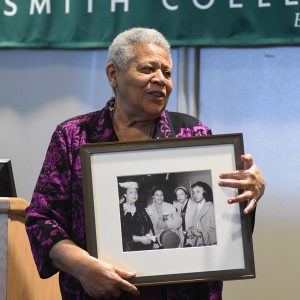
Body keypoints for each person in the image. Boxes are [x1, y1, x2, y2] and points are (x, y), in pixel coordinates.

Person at [25, 27, 265, 299]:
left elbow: (224, 224)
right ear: (113, 74)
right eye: (148, 69)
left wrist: (247, 190)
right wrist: (83, 268)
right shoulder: (73, 136)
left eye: (167, 72)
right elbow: (41, 220)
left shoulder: (194, 134)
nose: (160, 79)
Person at [118, 181, 155, 251]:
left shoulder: (141, 208)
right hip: (131, 248)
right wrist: (141, 239)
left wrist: (151, 236)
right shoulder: (120, 211)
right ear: (125, 195)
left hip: (146, 247)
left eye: (135, 192)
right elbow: (122, 234)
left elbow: (149, 225)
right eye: (131, 192)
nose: (134, 195)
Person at [186, 181, 216, 247]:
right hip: (197, 243)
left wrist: (199, 235)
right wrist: (191, 231)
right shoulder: (198, 206)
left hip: (207, 244)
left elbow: (214, 230)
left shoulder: (211, 206)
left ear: (204, 191)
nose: (195, 195)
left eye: (198, 192)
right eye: (193, 193)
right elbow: (197, 224)